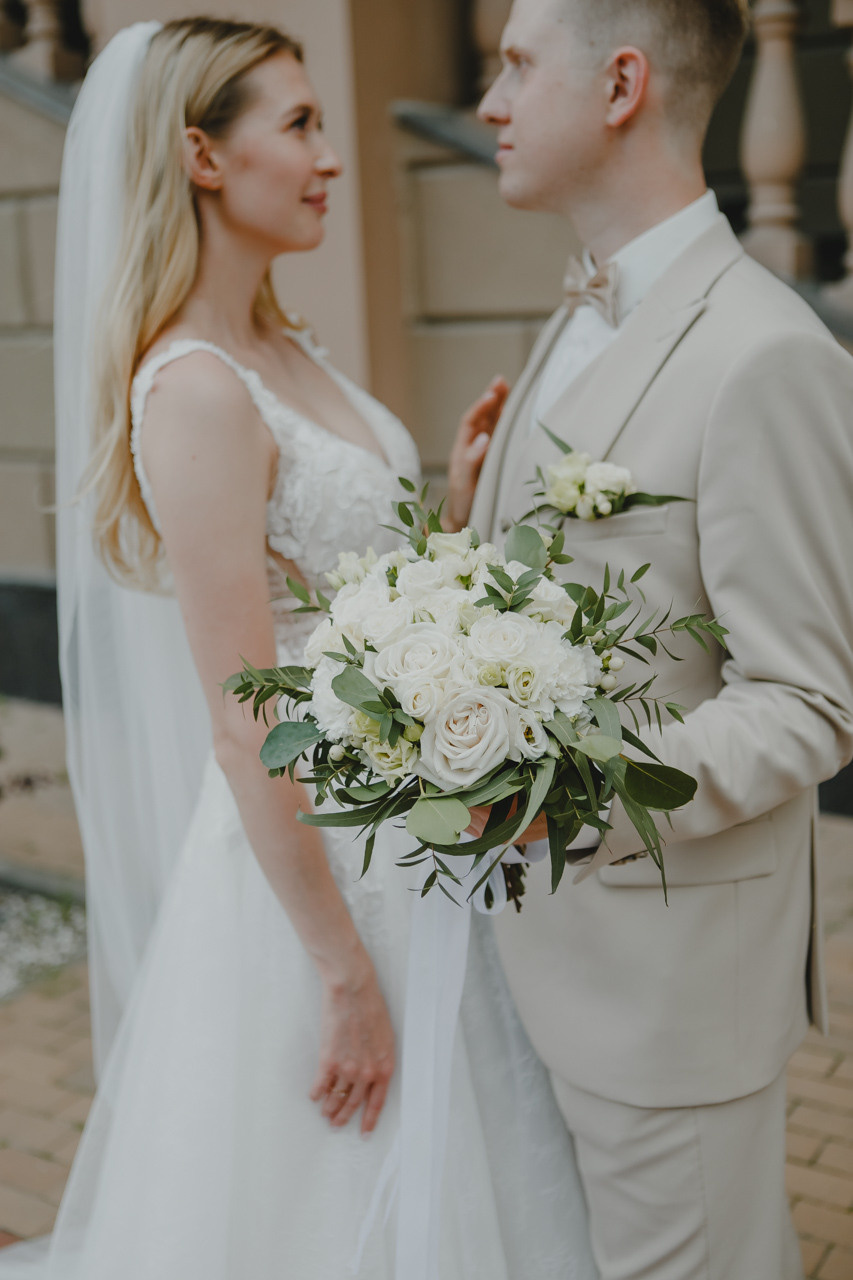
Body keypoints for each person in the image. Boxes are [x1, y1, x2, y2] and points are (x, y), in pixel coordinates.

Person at [0, 17, 597, 1280]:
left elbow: (344, 597)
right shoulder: (200, 387)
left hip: (408, 830)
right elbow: (238, 710)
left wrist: (451, 498)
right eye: (300, 124)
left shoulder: (289, 345)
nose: (329, 154)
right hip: (317, 870)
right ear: (204, 159)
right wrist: (341, 973)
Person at [458, 2, 853, 1278]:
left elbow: (806, 697)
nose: (489, 102)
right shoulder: (576, 309)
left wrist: (558, 792)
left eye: (516, 65)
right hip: (535, 956)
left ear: (620, 82)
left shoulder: (767, 353)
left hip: (669, 995)